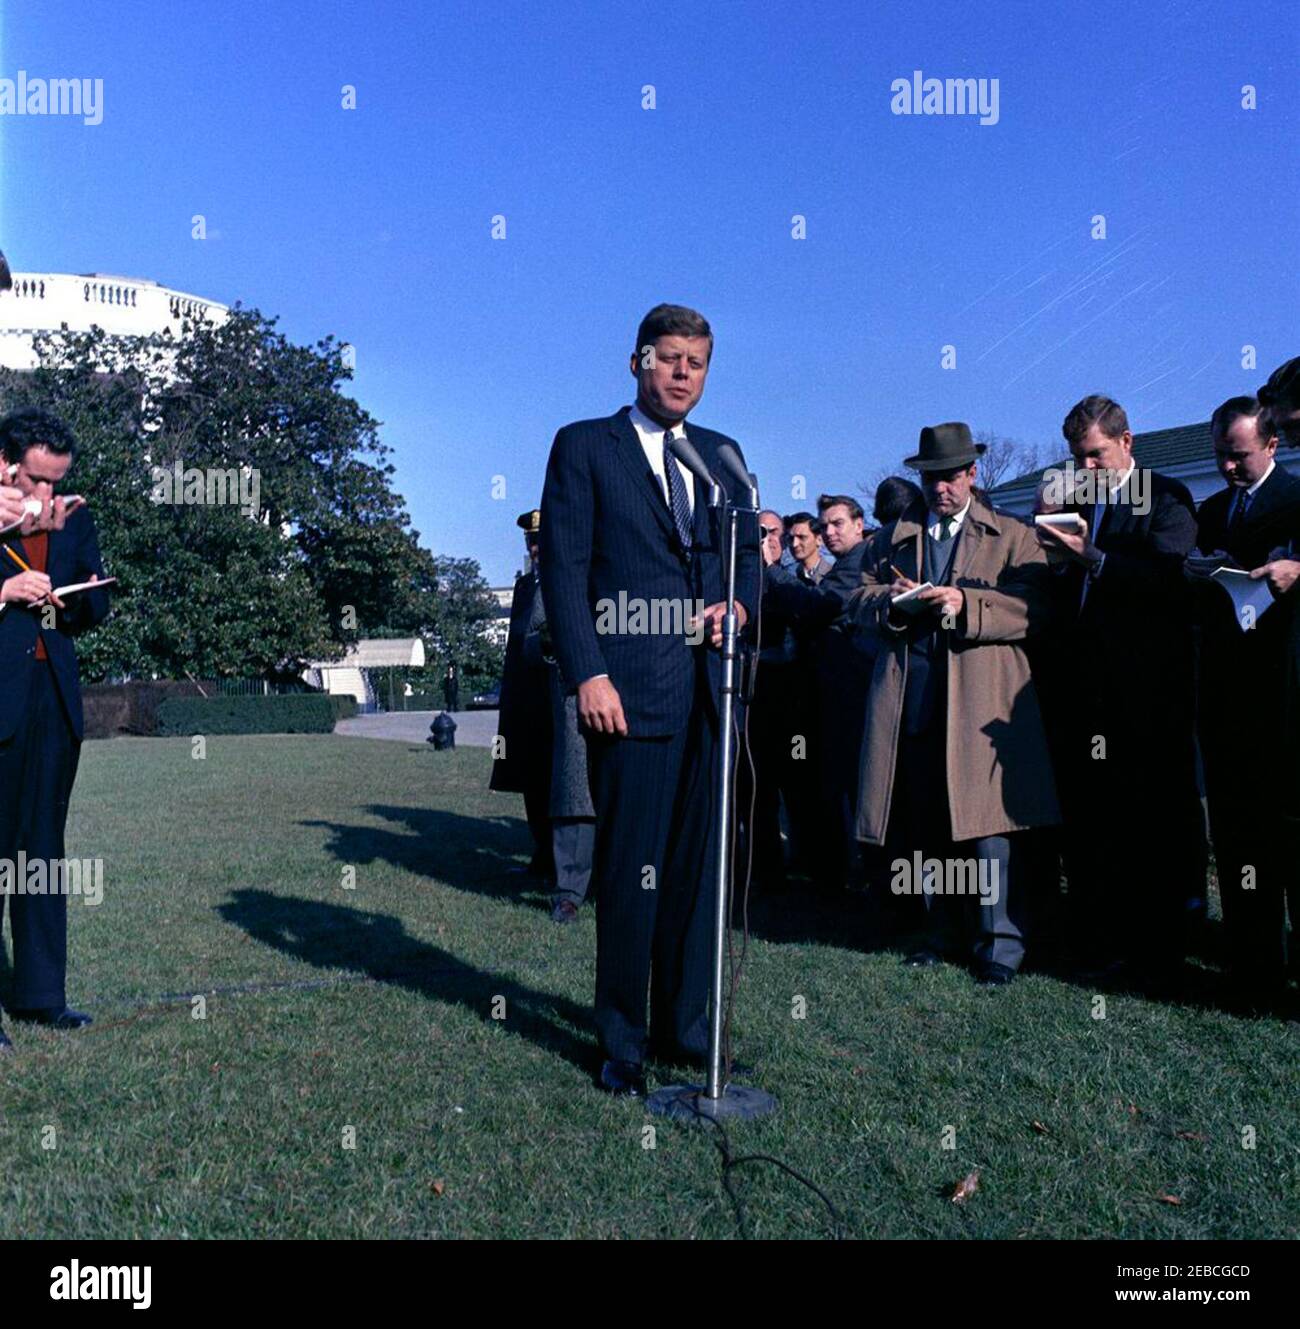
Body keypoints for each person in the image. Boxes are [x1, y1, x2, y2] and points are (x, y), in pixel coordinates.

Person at [539, 303, 759, 1097]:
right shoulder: (584, 447)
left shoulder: (720, 457)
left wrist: (738, 606)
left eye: (695, 363)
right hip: (628, 696)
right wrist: (587, 673)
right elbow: (563, 572)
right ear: (636, 361)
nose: (681, 375)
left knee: (700, 878)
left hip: (710, 696)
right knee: (635, 872)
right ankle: (623, 1043)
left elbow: (746, 559)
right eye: (668, 359)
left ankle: (688, 1031)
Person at [850, 423, 1059, 984]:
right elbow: (856, 596)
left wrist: (967, 603)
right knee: (927, 824)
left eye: (949, 477)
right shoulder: (893, 536)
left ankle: (1000, 947)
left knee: (989, 829)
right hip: (912, 699)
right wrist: (893, 602)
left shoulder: (1013, 535)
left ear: (972, 474)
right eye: (931, 478)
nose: (940, 487)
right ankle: (941, 931)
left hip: (981, 703)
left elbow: (1036, 608)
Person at [1037, 394, 1204, 988]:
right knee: (1096, 823)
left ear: (1127, 443)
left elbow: (1169, 580)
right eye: (1078, 459)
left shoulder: (1166, 499)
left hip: (1145, 698)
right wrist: (1062, 564)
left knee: (1148, 822)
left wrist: (1094, 558)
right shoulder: (1083, 502)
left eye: (1096, 456)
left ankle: (1156, 951)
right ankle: (1100, 938)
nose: (1087, 469)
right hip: (1087, 696)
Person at [0, 408, 111, 1054]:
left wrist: (81, 595)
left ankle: (42, 995)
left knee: (41, 851)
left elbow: (98, 603)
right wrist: (9, 588)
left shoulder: (76, 515)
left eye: (57, 481)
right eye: (36, 481)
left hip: (54, 701)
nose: (47, 496)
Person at [1190, 396, 1300, 1001]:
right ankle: (1252, 968)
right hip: (1230, 703)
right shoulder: (1212, 511)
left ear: (1272, 445)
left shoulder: (1296, 502)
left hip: (1287, 698)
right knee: (1239, 840)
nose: (1228, 467)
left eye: (1238, 455)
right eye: (1220, 456)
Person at [761, 493, 871, 892]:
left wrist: (772, 571)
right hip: (813, 697)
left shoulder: (856, 563)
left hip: (846, 695)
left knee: (846, 788)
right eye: (825, 525)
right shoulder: (849, 564)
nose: (829, 532)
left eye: (837, 524)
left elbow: (817, 607)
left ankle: (852, 877)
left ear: (859, 524)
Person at [488, 509, 554, 882]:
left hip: (555, 699)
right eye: (531, 541)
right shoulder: (524, 587)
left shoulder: (571, 580)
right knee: (531, 782)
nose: (535, 547)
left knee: (557, 784)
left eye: (541, 539)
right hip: (526, 700)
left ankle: (566, 865)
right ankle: (542, 856)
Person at [786, 511, 831, 584]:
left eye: (802, 537)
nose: (795, 544)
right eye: (791, 539)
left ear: (819, 540)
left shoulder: (833, 575)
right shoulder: (786, 575)